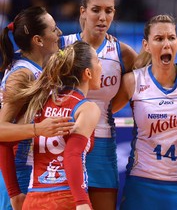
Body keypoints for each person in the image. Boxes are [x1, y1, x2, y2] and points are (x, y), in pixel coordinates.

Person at [111, 14, 177, 210]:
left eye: (171, 38)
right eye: (159, 39)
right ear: (146, 45)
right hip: (142, 182)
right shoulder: (133, 82)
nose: (166, 43)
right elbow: (104, 112)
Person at [59, 0, 138, 209]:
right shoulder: (62, 47)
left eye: (109, 11)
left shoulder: (122, 53)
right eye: (96, 10)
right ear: (83, 11)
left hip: (103, 144)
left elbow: (153, 74)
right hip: (64, 142)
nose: (103, 17)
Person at [3, 41, 102, 209]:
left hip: (33, 200)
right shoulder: (87, 108)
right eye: (98, 61)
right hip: (67, 198)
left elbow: (3, 144)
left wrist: (13, 194)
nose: (101, 66)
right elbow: (72, 153)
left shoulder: (38, 104)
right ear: (88, 73)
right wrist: (81, 202)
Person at [0, 6, 64, 210]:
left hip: (34, 170)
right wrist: (13, 192)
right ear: (38, 40)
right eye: (54, 29)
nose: (59, 33)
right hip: (17, 175)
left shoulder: (37, 66)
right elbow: (1, 131)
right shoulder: (22, 74)